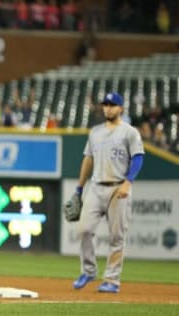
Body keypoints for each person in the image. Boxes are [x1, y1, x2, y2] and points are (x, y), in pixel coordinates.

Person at [72, 92, 144, 293]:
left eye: (112, 105)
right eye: (105, 104)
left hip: (118, 187)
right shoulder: (95, 132)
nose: (108, 108)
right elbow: (88, 159)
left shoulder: (130, 132)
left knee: (116, 237)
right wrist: (79, 189)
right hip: (96, 187)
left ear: (121, 108)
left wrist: (128, 182)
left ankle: (112, 281)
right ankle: (88, 270)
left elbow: (138, 158)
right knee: (84, 230)